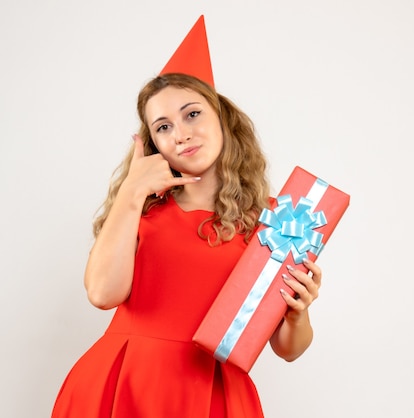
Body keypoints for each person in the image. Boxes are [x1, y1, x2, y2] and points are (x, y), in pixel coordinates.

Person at [51, 19, 322, 418]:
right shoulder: (141, 210)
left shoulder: (276, 221)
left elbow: (287, 350)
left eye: (192, 114)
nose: (181, 133)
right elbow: (102, 294)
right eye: (163, 127)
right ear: (153, 143)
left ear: (222, 118)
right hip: (123, 384)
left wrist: (299, 311)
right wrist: (131, 190)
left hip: (214, 395)